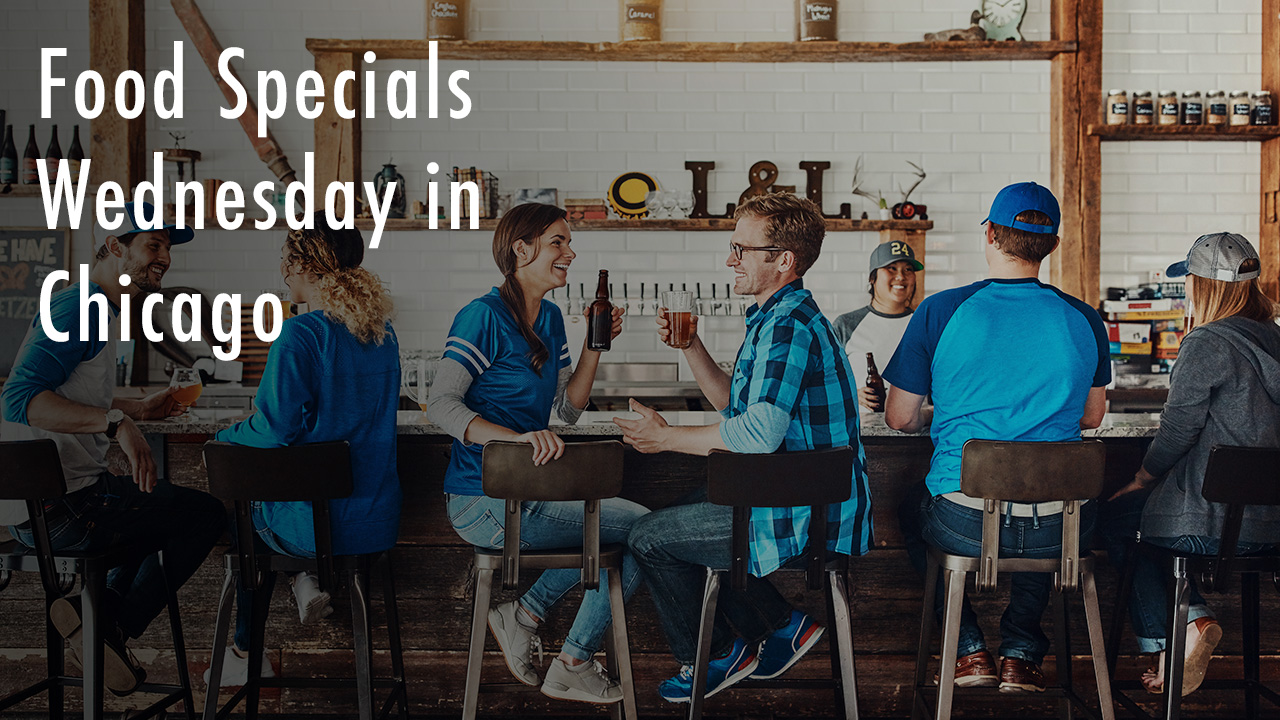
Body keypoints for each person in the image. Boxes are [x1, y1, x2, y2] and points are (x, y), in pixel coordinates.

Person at [615, 193, 873, 703]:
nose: (730, 259)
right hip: (794, 498)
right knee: (676, 516)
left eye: (741, 249)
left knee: (649, 536)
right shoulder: (776, 318)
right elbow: (737, 408)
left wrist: (665, 439)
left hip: (802, 512)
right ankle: (782, 626)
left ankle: (714, 656)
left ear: (783, 260)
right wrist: (691, 346)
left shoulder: (787, 326)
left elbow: (759, 435)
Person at [885, 182, 1109, 693]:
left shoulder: (941, 311)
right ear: (1051, 244)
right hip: (1063, 529)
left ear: (989, 232)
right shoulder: (1085, 318)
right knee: (1043, 496)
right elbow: (1093, 417)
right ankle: (1021, 653)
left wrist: (935, 417)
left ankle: (968, 651)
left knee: (909, 509)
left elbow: (899, 418)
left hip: (965, 522)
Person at [0, 203, 226, 696]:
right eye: (153, 244)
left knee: (152, 511)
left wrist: (137, 410)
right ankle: (110, 628)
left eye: (167, 247)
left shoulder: (95, 307)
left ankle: (98, 622)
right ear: (113, 246)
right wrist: (115, 422)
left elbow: (66, 394)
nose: (164, 256)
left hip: (52, 506)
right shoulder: (79, 307)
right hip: (64, 509)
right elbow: (18, 400)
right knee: (204, 516)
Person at [425, 202, 640, 705]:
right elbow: (440, 404)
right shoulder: (483, 316)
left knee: (643, 535)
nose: (570, 252)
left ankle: (528, 618)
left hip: (529, 493)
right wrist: (514, 440)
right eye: (558, 242)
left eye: (569, 241)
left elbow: (565, 412)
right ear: (521, 250)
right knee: (645, 529)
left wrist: (594, 343)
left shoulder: (550, 318)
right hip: (483, 499)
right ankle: (571, 659)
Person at [203, 222, 402, 686]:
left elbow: (273, 429)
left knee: (241, 517)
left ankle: (246, 649)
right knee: (268, 516)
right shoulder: (382, 333)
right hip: (376, 523)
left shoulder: (301, 334)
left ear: (302, 266)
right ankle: (302, 578)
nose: (282, 273)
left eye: (286, 261)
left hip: (316, 529)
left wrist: (226, 436)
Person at [1101, 232, 1280, 696]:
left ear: (1203, 286)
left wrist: (1142, 477)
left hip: (1206, 525)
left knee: (1117, 518)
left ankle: (1184, 628)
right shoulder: (1276, 340)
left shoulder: (1206, 343)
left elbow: (1177, 432)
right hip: (1271, 528)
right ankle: (1183, 634)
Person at [831, 240, 924, 412]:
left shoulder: (924, 324)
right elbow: (823, 381)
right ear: (872, 277)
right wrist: (850, 394)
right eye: (892, 268)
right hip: (861, 433)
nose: (901, 277)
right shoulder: (846, 325)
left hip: (915, 433)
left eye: (908, 269)